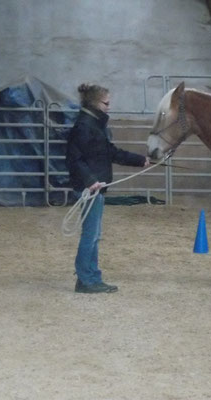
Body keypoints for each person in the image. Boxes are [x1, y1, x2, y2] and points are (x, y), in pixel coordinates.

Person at [65, 83, 150, 294]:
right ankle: (86, 279)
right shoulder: (84, 126)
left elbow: (109, 152)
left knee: (94, 235)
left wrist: (141, 160)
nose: (109, 107)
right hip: (91, 189)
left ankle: (91, 277)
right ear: (95, 103)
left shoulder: (94, 124)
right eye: (106, 103)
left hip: (97, 188)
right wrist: (89, 180)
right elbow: (74, 159)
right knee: (90, 235)